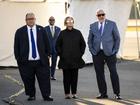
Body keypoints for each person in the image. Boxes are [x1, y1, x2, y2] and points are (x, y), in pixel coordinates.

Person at [14, 13, 53, 101]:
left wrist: (48, 55)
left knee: (44, 79)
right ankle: (31, 95)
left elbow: (47, 43)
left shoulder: (41, 29)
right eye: (29, 19)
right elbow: (16, 46)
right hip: (26, 62)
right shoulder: (20, 31)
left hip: (41, 61)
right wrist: (18, 58)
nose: (31, 20)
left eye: (32, 18)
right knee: (28, 80)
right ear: (26, 20)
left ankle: (46, 95)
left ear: (35, 19)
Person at [88, 9, 122, 100]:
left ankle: (117, 93)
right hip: (97, 53)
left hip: (110, 53)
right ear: (97, 16)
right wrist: (92, 51)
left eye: (103, 14)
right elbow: (89, 40)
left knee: (113, 72)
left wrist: (115, 50)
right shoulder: (93, 26)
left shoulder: (112, 24)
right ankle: (103, 93)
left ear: (105, 15)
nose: (101, 16)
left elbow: (117, 38)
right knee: (99, 74)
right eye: (99, 15)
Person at [56, 16, 86, 99]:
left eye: (71, 21)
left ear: (73, 22)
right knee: (66, 78)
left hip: (76, 60)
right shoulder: (62, 33)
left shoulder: (78, 32)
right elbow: (57, 45)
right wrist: (61, 54)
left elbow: (83, 44)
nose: (70, 22)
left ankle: (74, 93)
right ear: (65, 23)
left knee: (74, 77)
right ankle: (67, 93)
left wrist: (80, 54)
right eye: (68, 21)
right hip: (65, 60)